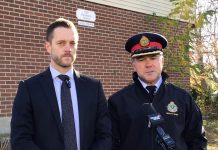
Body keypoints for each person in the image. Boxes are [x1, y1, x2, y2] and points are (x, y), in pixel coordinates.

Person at [10, 18, 111, 150]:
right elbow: (20, 140)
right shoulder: (29, 88)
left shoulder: (94, 87)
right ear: (48, 46)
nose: (68, 48)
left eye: (72, 43)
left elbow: (105, 135)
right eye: (61, 43)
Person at [108, 32, 207, 150]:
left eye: (153, 58)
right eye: (141, 59)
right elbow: (110, 143)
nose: (149, 64)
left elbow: (197, 140)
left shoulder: (183, 98)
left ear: (162, 61)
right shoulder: (118, 101)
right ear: (133, 65)